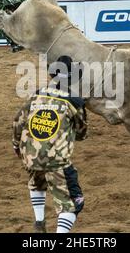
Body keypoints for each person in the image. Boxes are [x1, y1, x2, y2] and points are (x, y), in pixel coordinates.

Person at [12, 55, 88, 233]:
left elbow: (17, 123)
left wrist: (17, 147)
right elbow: (82, 134)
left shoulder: (36, 95)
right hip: (56, 160)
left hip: (29, 155)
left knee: (37, 182)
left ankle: (39, 222)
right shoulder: (75, 101)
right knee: (73, 202)